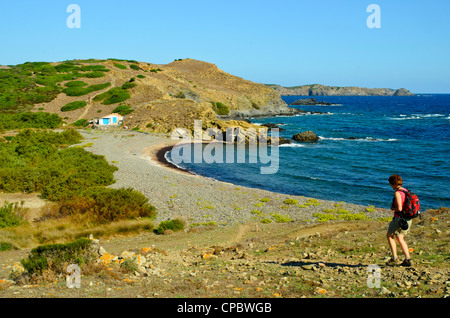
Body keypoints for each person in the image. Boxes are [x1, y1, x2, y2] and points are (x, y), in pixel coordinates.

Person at [386, 174, 412, 266]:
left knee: (389, 236)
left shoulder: (397, 193)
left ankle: (394, 258)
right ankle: (407, 259)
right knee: (400, 237)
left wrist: (392, 208)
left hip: (399, 218)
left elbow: (399, 208)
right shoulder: (406, 191)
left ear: (393, 184)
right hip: (408, 218)